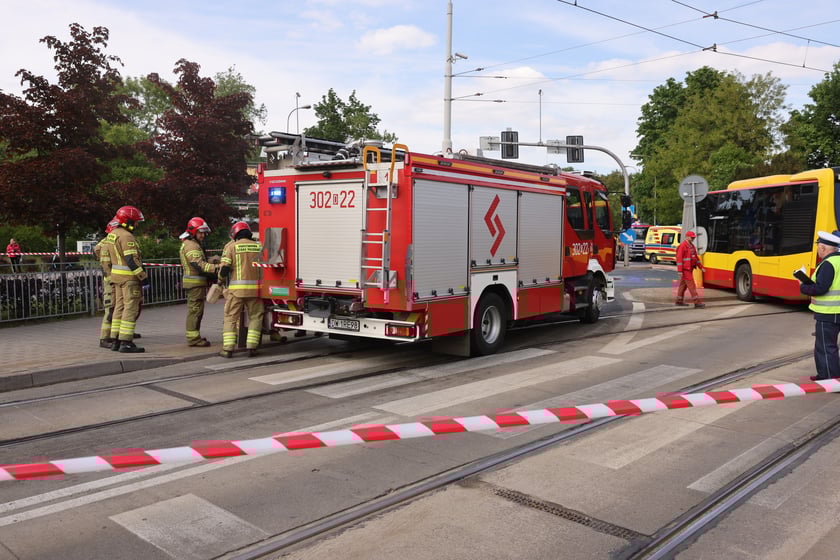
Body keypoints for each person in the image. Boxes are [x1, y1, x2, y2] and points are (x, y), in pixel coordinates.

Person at [218, 221, 264, 358]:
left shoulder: (232, 247)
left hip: (236, 291)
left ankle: (228, 349)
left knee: (231, 317)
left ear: (235, 234)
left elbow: (225, 268)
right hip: (255, 291)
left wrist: (220, 281)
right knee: (255, 317)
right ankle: (252, 347)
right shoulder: (258, 247)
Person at [798, 230, 840, 381]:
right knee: (826, 346)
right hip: (835, 312)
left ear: (823, 248)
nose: (817, 250)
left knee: (826, 347)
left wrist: (803, 286)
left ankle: (831, 379)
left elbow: (821, 288)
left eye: (817, 246)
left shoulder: (828, 263)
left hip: (829, 312)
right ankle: (824, 374)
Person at [106, 205, 147, 353]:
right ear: (127, 221)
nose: (136, 225)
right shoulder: (126, 236)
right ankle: (126, 342)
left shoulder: (113, 234)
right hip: (129, 279)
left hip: (117, 278)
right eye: (135, 222)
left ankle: (115, 340)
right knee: (130, 308)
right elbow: (131, 259)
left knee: (119, 308)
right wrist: (143, 276)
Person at [179, 217, 219, 347]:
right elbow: (198, 265)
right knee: (195, 311)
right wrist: (216, 268)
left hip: (196, 284)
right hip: (194, 284)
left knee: (197, 311)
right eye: (200, 232)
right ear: (192, 232)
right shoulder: (191, 245)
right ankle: (193, 339)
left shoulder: (193, 244)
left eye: (204, 232)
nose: (203, 235)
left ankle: (195, 336)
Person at [94, 218, 120, 348]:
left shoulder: (108, 242)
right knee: (110, 310)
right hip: (111, 282)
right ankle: (104, 338)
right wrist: (112, 280)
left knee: (116, 309)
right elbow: (106, 265)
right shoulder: (107, 244)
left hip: (115, 281)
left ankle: (114, 335)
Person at [675, 230, 705, 308]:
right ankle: (697, 302)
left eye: (693, 238)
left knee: (683, 286)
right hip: (686, 270)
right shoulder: (682, 246)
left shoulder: (692, 246)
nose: (693, 239)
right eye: (692, 237)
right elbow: (679, 259)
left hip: (689, 269)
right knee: (692, 286)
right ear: (687, 237)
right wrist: (680, 271)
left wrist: (701, 267)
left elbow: (696, 258)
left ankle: (679, 301)